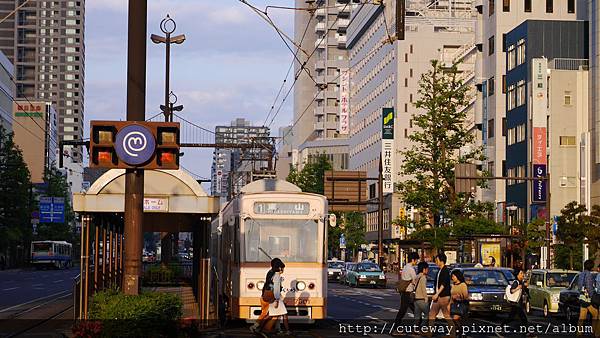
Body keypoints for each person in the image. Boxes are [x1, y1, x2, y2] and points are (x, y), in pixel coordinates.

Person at [250, 258, 291, 335]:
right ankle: (259, 328)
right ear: (279, 268)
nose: (283, 270)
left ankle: (260, 328)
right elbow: (276, 290)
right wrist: (277, 300)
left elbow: (269, 285)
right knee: (279, 314)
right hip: (273, 297)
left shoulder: (270, 272)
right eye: (282, 267)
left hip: (265, 295)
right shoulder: (277, 276)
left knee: (270, 314)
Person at [428, 253, 454, 337]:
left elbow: (443, 284)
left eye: (437, 260)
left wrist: (437, 294)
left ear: (441, 261)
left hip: (443, 296)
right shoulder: (440, 270)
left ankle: (452, 333)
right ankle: (430, 332)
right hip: (438, 296)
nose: (436, 261)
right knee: (432, 314)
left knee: (446, 315)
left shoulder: (445, 271)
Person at [502, 268, 532, 335]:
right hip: (517, 304)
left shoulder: (521, 282)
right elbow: (512, 290)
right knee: (523, 318)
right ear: (517, 275)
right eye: (521, 273)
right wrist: (518, 288)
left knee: (511, 318)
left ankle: (502, 326)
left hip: (518, 303)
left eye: (523, 273)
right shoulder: (516, 282)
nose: (522, 275)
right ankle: (527, 332)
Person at [394, 252, 419, 325]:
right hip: (408, 292)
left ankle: (420, 325)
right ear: (413, 260)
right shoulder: (411, 269)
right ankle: (395, 327)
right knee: (403, 311)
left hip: (404, 292)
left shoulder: (405, 267)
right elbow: (415, 281)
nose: (417, 261)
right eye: (416, 260)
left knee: (414, 309)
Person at [578, 259, 598, 335]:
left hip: (582, 297)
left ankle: (579, 332)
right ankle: (594, 331)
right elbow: (589, 287)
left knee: (582, 316)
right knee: (595, 314)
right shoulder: (589, 274)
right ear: (591, 266)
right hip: (587, 298)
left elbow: (579, 287)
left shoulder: (581, 274)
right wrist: (592, 295)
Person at [450, 270, 469, 338]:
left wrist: (459, 296)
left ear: (457, 276)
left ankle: (460, 332)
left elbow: (466, 296)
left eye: (453, 276)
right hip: (454, 304)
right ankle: (460, 332)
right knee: (455, 320)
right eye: (452, 276)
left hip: (461, 304)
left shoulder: (463, 285)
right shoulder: (453, 285)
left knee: (455, 319)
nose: (452, 278)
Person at [413, 261, 430, 327]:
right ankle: (422, 326)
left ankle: (415, 328)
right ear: (424, 269)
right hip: (422, 299)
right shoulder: (423, 277)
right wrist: (426, 298)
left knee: (417, 316)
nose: (427, 270)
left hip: (416, 299)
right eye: (427, 269)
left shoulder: (416, 276)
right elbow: (423, 289)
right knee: (427, 314)